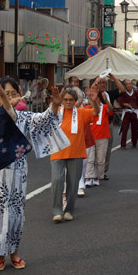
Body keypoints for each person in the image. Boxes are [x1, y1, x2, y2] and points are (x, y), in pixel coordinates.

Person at [0, 76, 67, 270]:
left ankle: (14, 251)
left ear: (21, 95)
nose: (11, 97)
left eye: (14, 93)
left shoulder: (25, 117)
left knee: (15, 213)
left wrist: (54, 107)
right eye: (6, 94)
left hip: (18, 173)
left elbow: (44, 121)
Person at [50, 86, 99, 223]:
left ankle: (69, 210)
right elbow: (49, 116)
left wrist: (93, 100)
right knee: (57, 181)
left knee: (73, 184)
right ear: (61, 100)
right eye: (65, 99)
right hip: (57, 152)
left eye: (71, 100)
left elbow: (95, 112)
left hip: (76, 152)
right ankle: (57, 211)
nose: (68, 102)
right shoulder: (56, 111)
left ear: (75, 101)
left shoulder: (81, 113)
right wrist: (55, 102)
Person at [84, 86, 113, 186]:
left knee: (100, 160)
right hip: (90, 137)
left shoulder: (104, 107)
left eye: (96, 97)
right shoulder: (87, 108)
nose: (94, 99)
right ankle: (88, 177)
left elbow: (110, 110)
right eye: (93, 97)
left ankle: (97, 176)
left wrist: (106, 101)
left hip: (103, 137)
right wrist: (89, 98)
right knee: (90, 159)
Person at [117, 80, 138, 149]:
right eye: (127, 84)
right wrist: (124, 104)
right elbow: (120, 101)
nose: (129, 85)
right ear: (125, 86)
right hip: (126, 112)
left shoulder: (135, 93)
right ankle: (123, 145)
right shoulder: (123, 93)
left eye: (130, 84)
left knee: (135, 128)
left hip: (134, 112)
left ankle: (134, 143)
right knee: (125, 128)